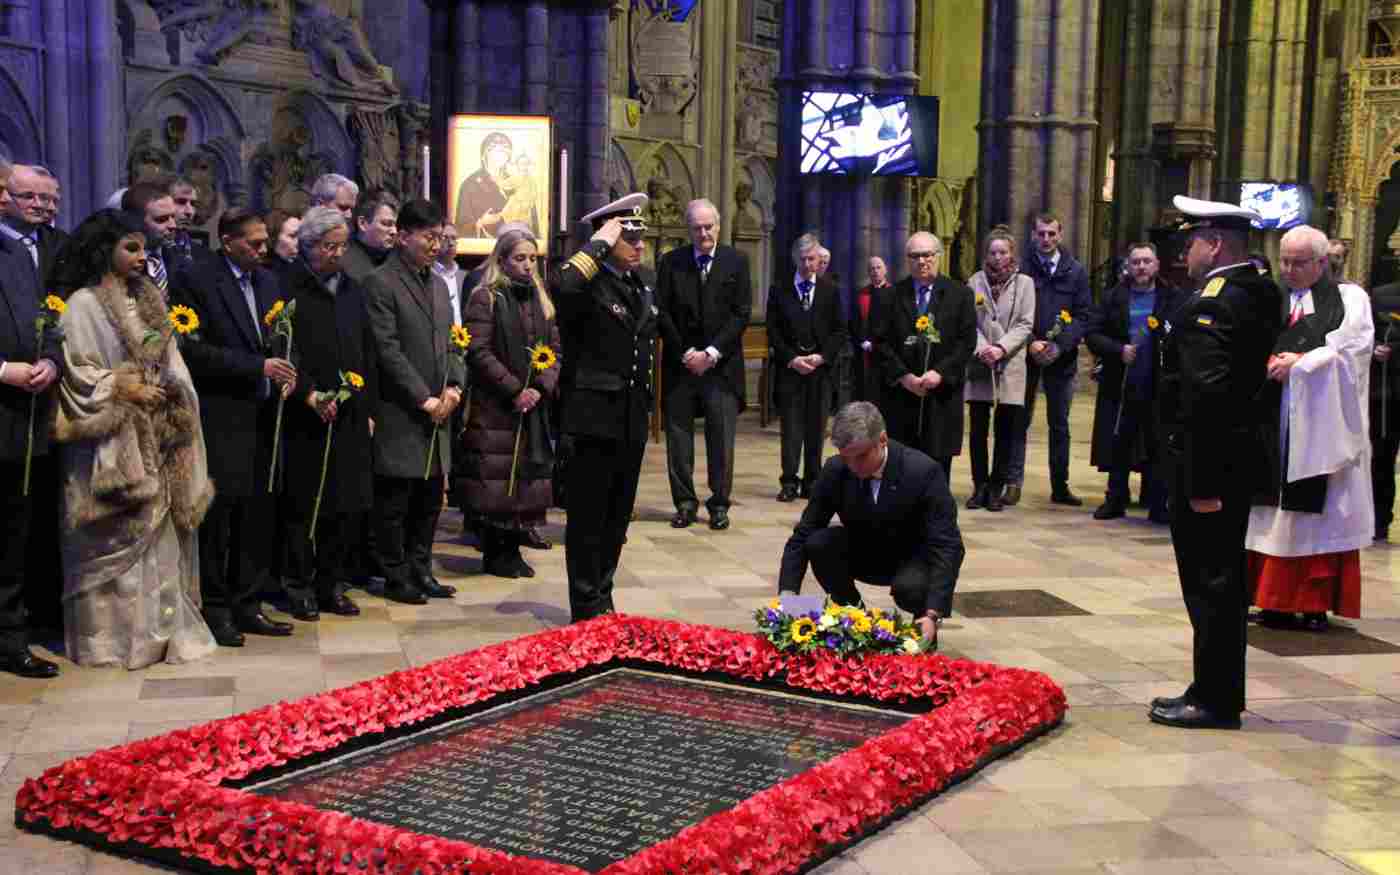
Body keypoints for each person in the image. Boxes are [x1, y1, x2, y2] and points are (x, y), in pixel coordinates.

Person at [51, 209, 217, 669]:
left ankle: (160, 634)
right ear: (105, 249)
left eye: (144, 248)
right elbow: (78, 371)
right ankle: (112, 642)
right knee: (113, 539)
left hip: (157, 436)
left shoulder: (150, 298)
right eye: (132, 248)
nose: (143, 257)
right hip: (110, 444)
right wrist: (123, 387)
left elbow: (174, 359)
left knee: (160, 542)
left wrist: (174, 391)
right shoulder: (83, 304)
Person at [1151, 195, 1281, 730]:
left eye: (1194, 241)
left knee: (1211, 584)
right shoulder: (1258, 288)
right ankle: (1213, 687)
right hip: (1236, 460)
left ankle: (1215, 699)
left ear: (1217, 243)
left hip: (1210, 468)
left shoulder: (1216, 300)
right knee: (1220, 583)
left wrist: (1201, 481)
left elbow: (1207, 396)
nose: (1187, 251)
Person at [168, 209, 302, 646]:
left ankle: (249, 602)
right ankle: (217, 607)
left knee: (257, 515)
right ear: (227, 241)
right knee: (221, 518)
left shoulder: (267, 281)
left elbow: (281, 340)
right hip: (222, 413)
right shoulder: (196, 278)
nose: (264, 250)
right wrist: (256, 366)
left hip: (265, 415)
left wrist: (286, 373)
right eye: (255, 243)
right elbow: (192, 349)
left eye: (265, 242)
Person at [1246, 225, 1371, 631]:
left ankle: (1313, 601)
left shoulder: (1350, 298)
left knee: (1316, 510)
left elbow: (1351, 347)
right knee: (1269, 507)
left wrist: (1301, 363)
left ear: (1321, 262)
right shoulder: (1270, 295)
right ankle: (1270, 599)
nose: (1289, 270)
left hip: (1319, 423)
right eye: (1284, 261)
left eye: (1299, 263)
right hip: (1272, 417)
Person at [776, 401, 965, 649]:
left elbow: (948, 546)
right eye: (847, 458)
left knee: (910, 587)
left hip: (913, 559)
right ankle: (854, 619)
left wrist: (933, 613)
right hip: (865, 550)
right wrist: (787, 596)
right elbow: (804, 533)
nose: (854, 467)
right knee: (819, 543)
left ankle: (923, 629)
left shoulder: (922, 471)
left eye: (861, 457)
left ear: (882, 440)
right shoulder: (836, 470)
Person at [552, 192, 657, 622]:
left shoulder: (639, 284)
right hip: (592, 419)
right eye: (628, 236)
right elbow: (561, 284)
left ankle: (604, 596)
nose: (639, 245)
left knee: (617, 517)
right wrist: (596, 244)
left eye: (640, 237)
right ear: (608, 236)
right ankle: (585, 605)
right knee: (588, 517)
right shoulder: (587, 284)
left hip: (629, 417)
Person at [365, 198, 463, 604]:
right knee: (396, 502)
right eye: (428, 237)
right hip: (402, 410)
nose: (436, 245)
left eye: (440, 237)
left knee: (429, 500)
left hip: (440, 411)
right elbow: (387, 350)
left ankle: (421, 569)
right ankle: (396, 574)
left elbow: (456, 343)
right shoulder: (381, 282)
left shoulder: (439, 285)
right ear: (403, 236)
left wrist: (455, 387)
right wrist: (424, 399)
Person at [279, 207, 376, 615]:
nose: (337, 253)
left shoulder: (354, 289)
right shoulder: (288, 286)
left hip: (350, 410)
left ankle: (331, 583)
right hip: (308, 411)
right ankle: (297, 583)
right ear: (308, 246)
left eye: (341, 245)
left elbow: (367, 351)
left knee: (344, 503)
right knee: (306, 503)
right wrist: (310, 394)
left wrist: (368, 407)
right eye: (328, 246)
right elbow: (284, 349)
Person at [455, 228, 561, 577]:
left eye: (533, 258)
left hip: (532, 407)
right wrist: (515, 390)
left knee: (525, 481)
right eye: (520, 258)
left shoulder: (541, 298)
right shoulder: (486, 297)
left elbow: (556, 351)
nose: (528, 265)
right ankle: (496, 551)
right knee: (497, 479)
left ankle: (513, 549)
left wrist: (540, 388)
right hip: (497, 405)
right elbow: (478, 350)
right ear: (501, 260)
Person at [656, 198, 752, 531]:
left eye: (708, 226)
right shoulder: (671, 262)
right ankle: (684, 503)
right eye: (696, 228)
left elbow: (741, 314)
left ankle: (719, 505)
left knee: (721, 440)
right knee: (679, 440)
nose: (703, 233)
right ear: (688, 229)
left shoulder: (736, 262)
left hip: (721, 369)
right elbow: (662, 312)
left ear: (718, 226)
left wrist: (711, 353)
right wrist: (686, 353)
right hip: (681, 366)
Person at [0, 215, 62, 678]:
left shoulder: (18, 255)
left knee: (13, 536)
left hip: (19, 420)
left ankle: (10, 639)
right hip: (5, 391)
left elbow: (49, 320)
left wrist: (50, 362)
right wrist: (3, 371)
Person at [1085, 243, 1184, 523]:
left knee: (1157, 442)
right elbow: (1093, 332)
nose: (1141, 267)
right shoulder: (1113, 296)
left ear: (1156, 265)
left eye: (1147, 261)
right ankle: (1115, 498)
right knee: (1119, 442)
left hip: (1158, 381)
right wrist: (1118, 350)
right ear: (1128, 265)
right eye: (1136, 262)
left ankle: (1157, 502)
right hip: (1121, 381)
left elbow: (1181, 332)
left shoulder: (1172, 296)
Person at [1005, 212, 1092, 507]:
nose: (1046, 239)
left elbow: (1083, 315)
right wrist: (1030, 342)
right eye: (1041, 234)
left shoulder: (1075, 271)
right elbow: (1012, 311)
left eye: (1051, 234)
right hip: (1025, 355)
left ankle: (1060, 485)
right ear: (1033, 235)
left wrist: (1061, 345)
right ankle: (1012, 482)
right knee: (1019, 419)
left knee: (1060, 424)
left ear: (1060, 234)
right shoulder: (1021, 269)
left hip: (1061, 357)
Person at [875, 231, 977, 478]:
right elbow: (880, 342)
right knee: (900, 467)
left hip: (942, 396)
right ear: (907, 260)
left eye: (927, 255)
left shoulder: (959, 294)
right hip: (901, 397)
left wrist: (940, 373)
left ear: (938, 256)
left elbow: (966, 343)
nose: (922, 261)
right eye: (915, 256)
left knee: (937, 469)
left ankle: (936, 515)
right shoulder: (890, 296)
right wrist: (904, 377)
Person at [769, 233, 847, 501]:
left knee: (816, 428)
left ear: (818, 259)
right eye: (802, 259)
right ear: (795, 260)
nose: (807, 264)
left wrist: (822, 357)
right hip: (791, 370)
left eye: (812, 259)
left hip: (820, 371)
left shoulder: (830, 290)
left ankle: (813, 480)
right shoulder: (779, 290)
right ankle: (789, 481)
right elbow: (774, 331)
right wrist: (792, 358)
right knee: (791, 428)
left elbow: (839, 331)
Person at [964, 230, 1035, 512]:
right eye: (993, 252)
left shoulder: (1025, 283)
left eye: (1003, 252)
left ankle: (996, 487)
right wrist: (984, 349)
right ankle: (979, 485)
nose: (998, 257)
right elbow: (971, 322)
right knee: (978, 429)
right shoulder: (975, 282)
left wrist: (1001, 348)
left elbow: (1025, 324)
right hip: (981, 363)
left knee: (1006, 429)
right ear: (986, 254)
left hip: (1010, 363)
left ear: (1012, 253)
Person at [2, 165, 69, 290]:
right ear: (4, 196)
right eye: (28, 196)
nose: (38, 205)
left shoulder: (62, 243)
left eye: (44, 198)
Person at [1371, 276, 1400, 542]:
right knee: (1381, 460)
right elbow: (1365, 337)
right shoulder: (1380, 295)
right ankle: (1379, 522)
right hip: (1388, 395)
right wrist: (1375, 350)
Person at [120, 182, 180, 295]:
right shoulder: (119, 268)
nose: (173, 226)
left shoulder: (181, 262)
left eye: (173, 217)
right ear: (134, 221)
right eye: (162, 219)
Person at [850, 256, 892, 403]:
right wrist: (862, 341)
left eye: (878, 267)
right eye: (872, 268)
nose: (875, 271)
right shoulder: (862, 294)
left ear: (885, 270)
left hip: (887, 349)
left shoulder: (894, 293)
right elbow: (854, 322)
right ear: (868, 272)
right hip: (865, 350)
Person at [455, 131, 512, 238]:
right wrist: (481, 223)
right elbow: (461, 227)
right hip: (481, 245)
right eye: (495, 150)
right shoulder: (470, 184)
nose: (500, 154)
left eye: (504, 150)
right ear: (483, 155)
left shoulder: (515, 183)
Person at [340, 193, 398, 283]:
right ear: (362, 223)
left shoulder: (395, 261)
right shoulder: (343, 264)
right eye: (386, 224)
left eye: (395, 225)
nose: (394, 231)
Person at [434, 222, 465, 327]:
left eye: (454, 238)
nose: (451, 243)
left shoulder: (464, 277)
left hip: (464, 339)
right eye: (445, 238)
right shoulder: (427, 274)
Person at [264, 209, 302, 276]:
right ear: (273, 238)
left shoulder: (302, 268)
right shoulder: (263, 276)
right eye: (292, 236)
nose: (299, 241)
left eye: (301, 235)